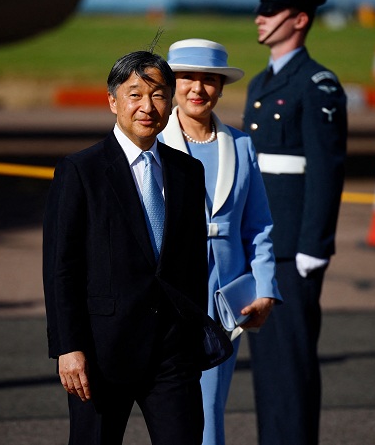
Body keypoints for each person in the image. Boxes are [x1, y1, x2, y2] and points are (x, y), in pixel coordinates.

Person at [43, 48, 231, 445]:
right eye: (135, 94)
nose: (148, 107)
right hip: (100, 352)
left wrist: (193, 337)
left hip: (172, 354)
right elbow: (62, 267)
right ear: (113, 101)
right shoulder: (81, 171)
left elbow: (193, 264)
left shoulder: (187, 171)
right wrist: (68, 346)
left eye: (159, 94)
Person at [157, 38, 281, 445]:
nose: (198, 88)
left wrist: (264, 287)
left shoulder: (241, 146)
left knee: (210, 411)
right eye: (187, 77)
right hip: (167, 296)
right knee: (169, 411)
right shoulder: (151, 144)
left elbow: (258, 225)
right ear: (172, 83)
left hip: (223, 300)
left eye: (209, 79)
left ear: (222, 87)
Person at [243, 0, 348, 445]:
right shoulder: (260, 83)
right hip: (264, 243)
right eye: (261, 9)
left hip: (293, 251)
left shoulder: (317, 84)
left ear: (300, 19)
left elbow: (326, 172)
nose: (261, 19)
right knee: (267, 368)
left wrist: (314, 245)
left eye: (272, 11)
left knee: (293, 364)